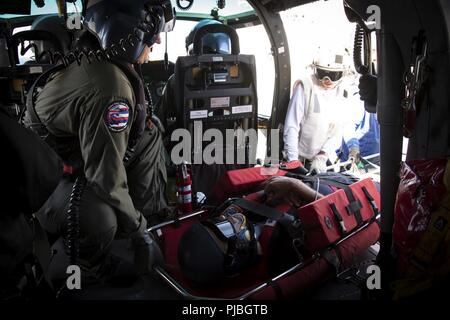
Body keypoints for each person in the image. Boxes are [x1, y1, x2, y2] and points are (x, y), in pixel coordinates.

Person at [24, 0, 175, 279]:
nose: (154, 44)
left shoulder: (103, 61)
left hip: (69, 154)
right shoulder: (111, 87)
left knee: (150, 131)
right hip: (42, 182)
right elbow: (104, 177)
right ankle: (87, 269)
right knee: (100, 219)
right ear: (128, 32)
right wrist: (139, 231)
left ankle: (150, 220)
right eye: (151, 35)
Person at [283, 47, 352, 174]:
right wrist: (293, 161)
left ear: (343, 73)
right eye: (322, 74)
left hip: (320, 159)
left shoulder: (343, 93)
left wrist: (322, 156)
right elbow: (291, 125)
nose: (327, 80)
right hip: (299, 157)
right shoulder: (306, 86)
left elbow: (337, 130)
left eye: (333, 75)